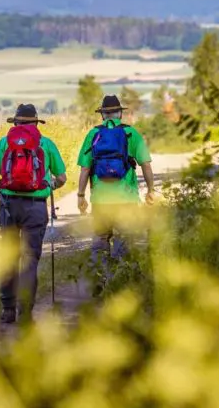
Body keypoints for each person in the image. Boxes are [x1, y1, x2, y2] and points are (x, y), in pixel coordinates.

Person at [0, 103, 67, 324]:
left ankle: (7, 309)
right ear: (36, 123)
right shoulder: (46, 144)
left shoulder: (4, 143)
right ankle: (25, 310)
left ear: (16, 122)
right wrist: (48, 186)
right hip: (36, 207)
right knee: (30, 259)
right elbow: (62, 178)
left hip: (8, 205)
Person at [76, 95, 155, 292]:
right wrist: (151, 190)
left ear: (103, 114)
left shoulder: (93, 134)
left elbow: (85, 169)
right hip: (126, 198)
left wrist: (80, 195)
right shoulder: (130, 133)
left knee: (100, 239)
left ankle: (100, 281)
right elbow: (145, 164)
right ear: (120, 113)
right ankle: (122, 284)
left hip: (101, 200)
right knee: (124, 239)